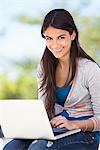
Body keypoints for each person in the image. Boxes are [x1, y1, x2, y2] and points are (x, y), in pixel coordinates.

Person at [3, 8, 100, 150]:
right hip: (57, 130)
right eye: (49, 38)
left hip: (87, 134)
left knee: (39, 148)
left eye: (61, 37)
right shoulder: (45, 66)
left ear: (72, 35)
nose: (54, 45)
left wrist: (74, 124)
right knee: (12, 147)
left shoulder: (90, 69)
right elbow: (44, 110)